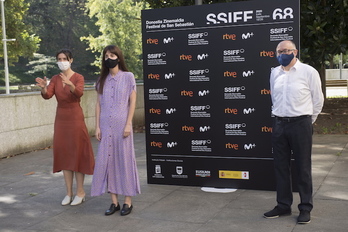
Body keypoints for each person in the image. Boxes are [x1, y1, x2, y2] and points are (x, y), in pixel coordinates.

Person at [264, 40, 324, 224]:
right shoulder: (275, 73)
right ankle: (283, 206)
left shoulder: (308, 72)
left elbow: (318, 100)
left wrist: (307, 121)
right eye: (279, 51)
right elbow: (274, 97)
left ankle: (305, 207)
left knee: (303, 168)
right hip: (279, 124)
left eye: (286, 50)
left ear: (295, 52)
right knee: (281, 167)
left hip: (301, 124)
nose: (282, 53)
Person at [35, 49, 95, 206]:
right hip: (61, 120)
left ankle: (80, 191)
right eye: (59, 59)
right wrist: (43, 87)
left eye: (64, 59)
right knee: (65, 155)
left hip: (75, 118)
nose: (62, 61)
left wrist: (71, 86)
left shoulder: (78, 77)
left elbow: (79, 93)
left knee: (77, 154)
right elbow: (48, 95)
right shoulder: (55, 78)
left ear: (71, 60)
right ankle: (68, 193)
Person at [91, 45, 140, 216]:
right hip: (105, 126)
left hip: (122, 127)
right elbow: (98, 104)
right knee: (107, 162)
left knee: (124, 161)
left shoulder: (128, 77)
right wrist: (97, 126)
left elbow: (132, 102)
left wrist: (128, 124)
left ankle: (128, 201)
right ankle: (114, 202)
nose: (109, 58)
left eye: (112, 55)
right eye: (106, 56)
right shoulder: (101, 80)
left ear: (118, 57)